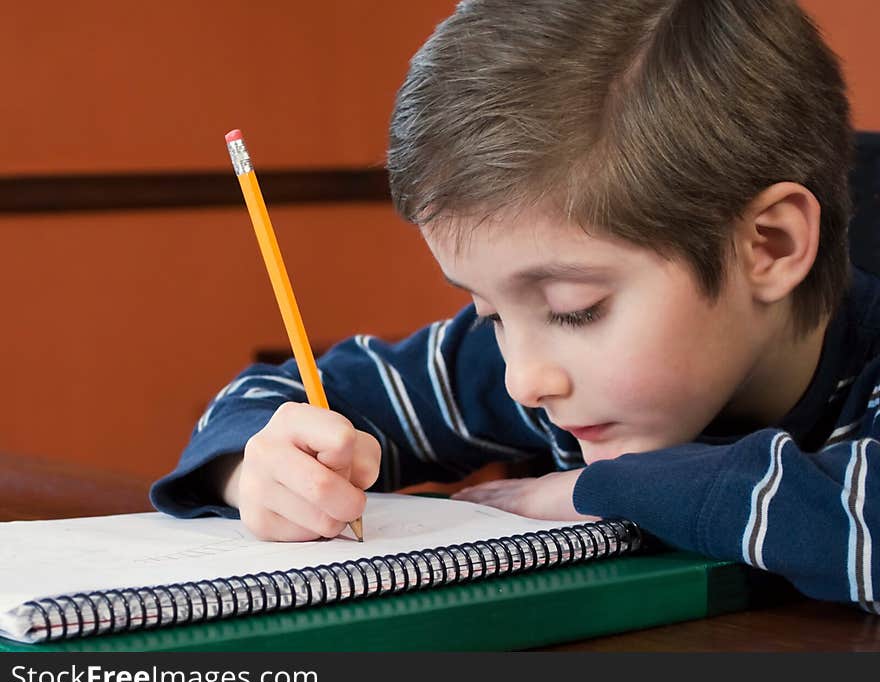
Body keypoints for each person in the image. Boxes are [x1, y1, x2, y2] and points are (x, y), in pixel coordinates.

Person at [150, 0, 879, 613]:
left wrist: (604, 488)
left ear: (770, 247)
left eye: (575, 309)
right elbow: (267, 401)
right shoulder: (544, 370)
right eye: (491, 314)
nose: (523, 380)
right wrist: (258, 467)